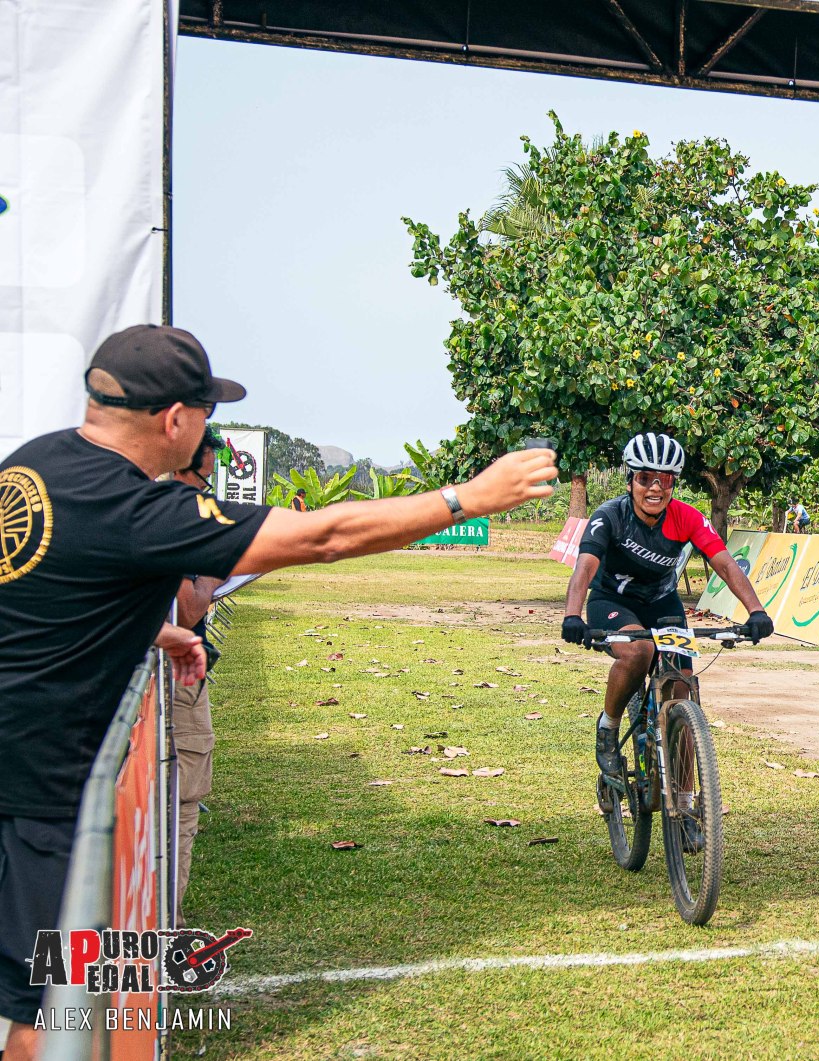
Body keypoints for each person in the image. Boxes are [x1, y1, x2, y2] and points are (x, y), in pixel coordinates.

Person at [0, 325, 556, 1061]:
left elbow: (49, 590)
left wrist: (156, 632)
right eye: (206, 412)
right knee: (48, 1015)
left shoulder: (32, 466)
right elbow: (324, 536)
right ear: (175, 420)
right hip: (40, 792)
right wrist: (469, 497)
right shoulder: (134, 510)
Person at [560, 433, 773, 782]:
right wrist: (572, 615)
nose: (655, 488)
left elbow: (725, 564)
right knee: (639, 651)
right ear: (630, 480)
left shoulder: (686, 517)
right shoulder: (609, 516)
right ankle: (608, 728)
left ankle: (686, 800)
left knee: (681, 687)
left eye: (666, 480)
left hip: (662, 602)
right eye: (646, 478)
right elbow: (584, 568)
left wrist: (756, 611)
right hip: (613, 601)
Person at [169, 428, 227, 923]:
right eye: (204, 479)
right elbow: (187, 609)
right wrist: (216, 569)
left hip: (175, 675)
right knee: (182, 804)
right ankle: (167, 923)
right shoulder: (168, 516)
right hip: (174, 680)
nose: (206, 491)